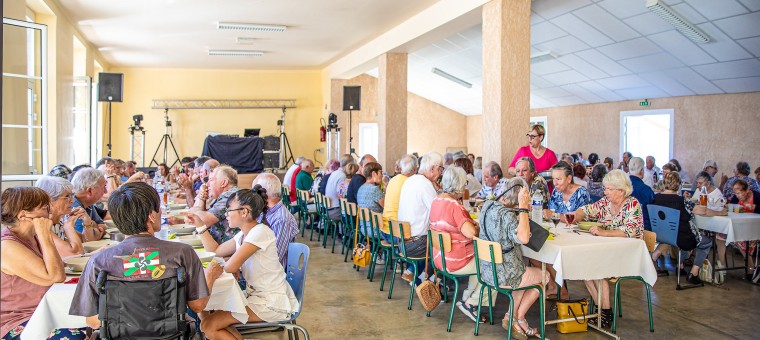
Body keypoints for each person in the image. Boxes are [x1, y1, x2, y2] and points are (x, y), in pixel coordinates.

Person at [69, 182, 210, 334]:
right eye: (159, 208)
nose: (161, 211)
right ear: (151, 215)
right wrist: (212, 276)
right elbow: (197, 306)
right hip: (172, 336)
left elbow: (93, 320)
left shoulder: (100, 260)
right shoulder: (183, 253)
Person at [186, 187, 299, 339]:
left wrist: (229, 263)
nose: (226, 214)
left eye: (229, 210)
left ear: (244, 212)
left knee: (208, 324)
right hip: (256, 297)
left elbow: (230, 266)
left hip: (271, 302)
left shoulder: (260, 232)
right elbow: (216, 250)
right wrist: (200, 225)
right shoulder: (243, 234)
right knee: (205, 314)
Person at [569, 170, 644, 328]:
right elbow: (589, 209)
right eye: (605, 188)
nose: (605, 192)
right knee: (585, 268)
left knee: (599, 270)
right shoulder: (605, 203)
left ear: (621, 190)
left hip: (629, 255)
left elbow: (630, 231)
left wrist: (604, 232)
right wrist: (577, 213)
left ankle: (605, 313)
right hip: (609, 251)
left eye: (609, 189)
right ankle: (600, 311)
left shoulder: (632, 204)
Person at [478, 178, 548, 338]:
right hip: (506, 273)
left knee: (526, 275)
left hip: (488, 271)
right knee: (544, 276)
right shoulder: (507, 215)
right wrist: (523, 208)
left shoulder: (487, 206)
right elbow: (524, 238)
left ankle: (512, 316)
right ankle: (518, 317)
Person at [428, 167, 491, 323]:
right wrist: (476, 226)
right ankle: (472, 302)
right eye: (465, 183)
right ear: (459, 184)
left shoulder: (436, 200)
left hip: (439, 258)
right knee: (493, 267)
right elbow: (471, 233)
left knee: (480, 260)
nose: (465, 187)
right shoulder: (454, 205)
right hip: (455, 261)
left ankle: (467, 297)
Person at [1, 187, 66, 339]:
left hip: (43, 312)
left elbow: (57, 267)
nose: (49, 212)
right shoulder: (7, 246)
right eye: (44, 208)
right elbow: (56, 276)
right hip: (18, 321)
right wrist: (45, 235)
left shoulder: (30, 237)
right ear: (23, 214)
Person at [650, 173, 705, 285]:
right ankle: (693, 273)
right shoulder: (681, 201)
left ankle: (675, 265)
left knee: (679, 231)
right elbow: (701, 210)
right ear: (679, 185)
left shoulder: (655, 198)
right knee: (705, 242)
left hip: (661, 234)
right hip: (680, 237)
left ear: (664, 183)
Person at [397, 152, 443, 283]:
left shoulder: (410, 180)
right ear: (432, 169)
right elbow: (439, 213)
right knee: (446, 245)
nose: (440, 172)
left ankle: (416, 274)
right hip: (416, 245)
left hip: (402, 242)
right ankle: (432, 284)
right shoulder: (425, 185)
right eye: (440, 168)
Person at [251, 174, 299, 268]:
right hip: (261, 265)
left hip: (271, 274)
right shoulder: (265, 211)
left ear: (264, 193)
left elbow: (275, 258)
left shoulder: (281, 219)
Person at [35, 176, 87, 257]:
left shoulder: (58, 221)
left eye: (72, 195)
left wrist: (87, 222)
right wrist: (68, 227)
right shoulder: (43, 224)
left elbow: (84, 240)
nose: (72, 200)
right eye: (67, 196)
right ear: (50, 200)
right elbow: (75, 253)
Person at [190, 165, 240, 244]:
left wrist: (200, 197)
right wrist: (202, 198)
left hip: (227, 252)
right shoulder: (226, 195)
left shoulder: (230, 196)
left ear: (224, 183)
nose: (207, 184)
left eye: (211, 180)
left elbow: (201, 221)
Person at [382, 155, 417, 241]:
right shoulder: (409, 183)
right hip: (397, 234)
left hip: (384, 230)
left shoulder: (392, 180)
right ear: (415, 169)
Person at [70, 168, 108, 241]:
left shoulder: (88, 203)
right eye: (104, 187)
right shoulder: (73, 206)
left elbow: (102, 225)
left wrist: (94, 226)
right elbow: (87, 240)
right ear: (90, 191)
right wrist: (93, 226)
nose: (106, 191)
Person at [356, 162, 385, 237]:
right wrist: (386, 187)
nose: (382, 176)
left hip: (364, 227)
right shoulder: (374, 189)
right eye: (381, 173)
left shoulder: (361, 188)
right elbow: (386, 207)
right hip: (376, 229)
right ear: (374, 174)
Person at [628, 157, 655, 231]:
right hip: (643, 229)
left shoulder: (622, 187)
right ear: (642, 170)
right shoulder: (646, 190)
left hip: (624, 227)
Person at [325, 154, 354, 222]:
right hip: (335, 210)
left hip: (329, 208)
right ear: (349, 164)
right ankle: (344, 232)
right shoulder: (342, 176)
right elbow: (340, 195)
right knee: (355, 215)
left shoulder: (334, 173)